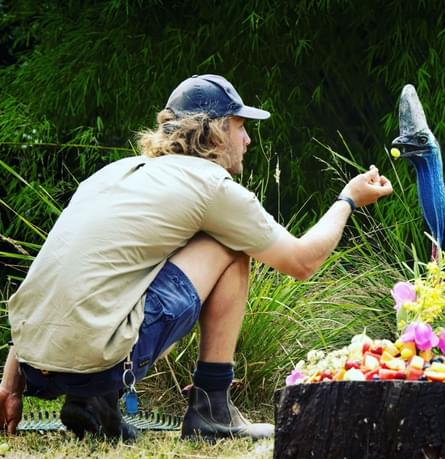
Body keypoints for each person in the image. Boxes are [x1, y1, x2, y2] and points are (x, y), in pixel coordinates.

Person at [0, 74, 393, 441]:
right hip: (99, 359)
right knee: (232, 245)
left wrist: (10, 383)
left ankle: (93, 400)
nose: (248, 140)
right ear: (218, 129)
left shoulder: (113, 174)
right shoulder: (209, 185)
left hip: (34, 364)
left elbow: (53, 275)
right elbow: (302, 261)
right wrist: (348, 200)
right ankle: (212, 409)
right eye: (241, 126)